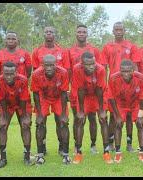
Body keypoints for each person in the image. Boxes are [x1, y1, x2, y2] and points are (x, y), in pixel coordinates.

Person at [101, 22, 140, 152]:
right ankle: (111, 143)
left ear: (124, 31)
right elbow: (104, 68)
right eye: (116, 29)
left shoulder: (131, 46)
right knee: (113, 116)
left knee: (129, 116)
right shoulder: (107, 47)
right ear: (113, 31)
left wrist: (137, 84)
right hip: (114, 87)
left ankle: (129, 144)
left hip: (129, 87)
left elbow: (135, 66)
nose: (118, 31)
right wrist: (105, 85)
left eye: (121, 29)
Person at [31, 26, 70, 155]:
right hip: (43, 94)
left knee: (62, 121)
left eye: (51, 32)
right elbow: (36, 89)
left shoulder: (62, 52)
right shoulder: (37, 52)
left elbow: (66, 73)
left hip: (58, 92)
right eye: (46, 31)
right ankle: (42, 149)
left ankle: (62, 148)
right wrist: (39, 113)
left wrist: (64, 112)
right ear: (43, 34)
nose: (49, 34)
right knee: (41, 121)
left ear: (55, 34)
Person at [71, 51, 112, 164]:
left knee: (103, 119)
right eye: (88, 64)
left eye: (93, 63)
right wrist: (81, 111)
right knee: (80, 120)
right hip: (84, 95)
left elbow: (99, 90)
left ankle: (106, 151)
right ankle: (78, 152)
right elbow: (80, 90)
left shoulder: (100, 69)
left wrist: (102, 110)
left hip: (98, 94)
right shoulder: (76, 69)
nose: (91, 66)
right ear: (82, 64)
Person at [69, 25, 103, 154]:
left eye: (84, 32)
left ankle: (93, 145)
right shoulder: (70, 50)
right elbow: (68, 70)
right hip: (76, 90)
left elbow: (99, 69)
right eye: (79, 32)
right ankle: (77, 145)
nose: (81, 33)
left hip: (92, 91)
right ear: (76, 33)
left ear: (87, 34)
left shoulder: (94, 49)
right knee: (77, 118)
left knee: (92, 118)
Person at [107, 59, 143, 163]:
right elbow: (111, 98)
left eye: (128, 71)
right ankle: (118, 152)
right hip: (120, 105)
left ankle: (142, 152)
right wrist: (117, 116)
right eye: (123, 71)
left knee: (141, 124)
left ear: (133, 70)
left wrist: (140, 115)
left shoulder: (141, 78)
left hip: (136, 104)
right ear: (120, 70)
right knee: (118, 124)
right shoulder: (113, 78)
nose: (126, 74)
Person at [0, 61, 33, 168]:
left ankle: (27, 156)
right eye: (6, 74)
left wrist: (24, 116)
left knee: (25, 125)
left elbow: (24, 98)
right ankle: (3, 158)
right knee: (2, 126)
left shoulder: (23, 80)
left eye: (11, 74)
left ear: (16, 72)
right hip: (7, 105)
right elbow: (0, 100)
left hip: (22, 104)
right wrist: (4, 116)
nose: (9, 76)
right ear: (2, 72)